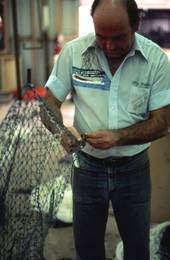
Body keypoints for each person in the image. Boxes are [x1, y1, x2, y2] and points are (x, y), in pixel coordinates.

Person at [42, 0, 170, 259]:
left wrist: (119, 137)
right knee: (87, 248)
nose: (110, 46)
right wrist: (62, 132)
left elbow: (163, 123)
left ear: (136, 24)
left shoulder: (155, 59)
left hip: (133, 170)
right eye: (102, 37)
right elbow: (49, 104)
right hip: (87, 169)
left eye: (119, 37)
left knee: (137, 249)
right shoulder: (74, 53)